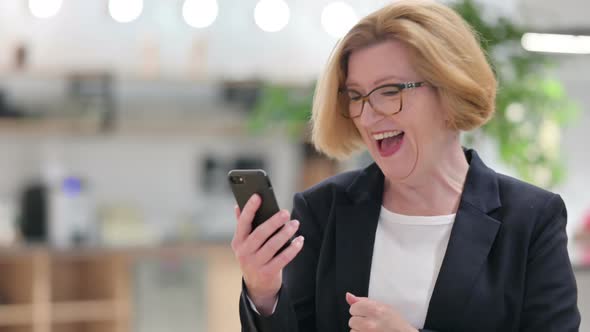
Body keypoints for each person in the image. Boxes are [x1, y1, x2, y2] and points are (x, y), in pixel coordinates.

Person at [231, 1, 581, 331]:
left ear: (450, 90)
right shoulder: (323, 209)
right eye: (356, 96)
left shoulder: (531, 218)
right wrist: (263, 294)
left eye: (389, 91)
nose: (367, 116)